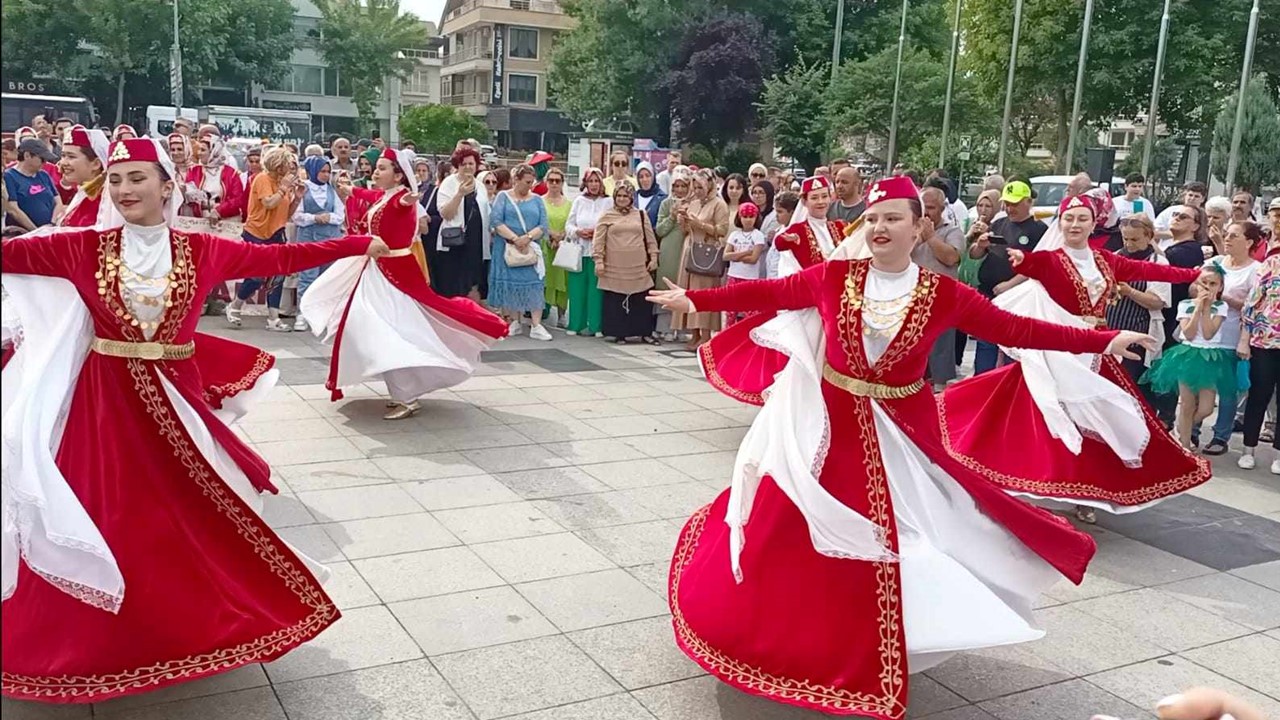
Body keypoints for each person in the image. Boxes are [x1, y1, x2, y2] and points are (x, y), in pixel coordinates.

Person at [646, 175, 1155, 719]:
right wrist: (694, 296)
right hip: (832, 427)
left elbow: (1019, 328)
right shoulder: (835, 277)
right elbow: (767, 293)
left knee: (912, 528)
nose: (881, 227)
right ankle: (788, 636)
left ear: (919, 227)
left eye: (893, 218)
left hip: (904, 430)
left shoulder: (944, 294)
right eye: (873, 218)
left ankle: (899, 634)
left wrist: (1103, 338)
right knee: (797, 529)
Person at [0, 136, 390, 703]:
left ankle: (191, 627)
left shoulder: (202, 250)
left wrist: (357, 244)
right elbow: (8, 255)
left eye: (137, 178)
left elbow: (279, 257)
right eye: (116, 179)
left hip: (177, 403)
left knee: (194, 514)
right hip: (103, 407)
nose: (125, 189)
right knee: (108, 515)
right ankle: (89, 641)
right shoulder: (80, 247)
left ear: (166, 184)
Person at [941, 193, 1209, 524]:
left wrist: (1191, 275)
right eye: (1069, 218)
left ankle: (1089, 491)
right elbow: (1028, 263)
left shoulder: (1106, 261)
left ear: (1094, 222)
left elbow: (1147, 268)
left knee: (1103, 418)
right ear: (1060, 222)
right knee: (1041, 416)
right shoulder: (1051, 260)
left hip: (1097, 351)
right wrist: (1016, 258)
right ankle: (1039, 482)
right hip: (1059, 350)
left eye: (1082, 218)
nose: (1075, 224)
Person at [299, 148, 508, 420]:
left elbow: (403, 204)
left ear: (398, 176)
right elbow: (373, 195)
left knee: (393, 332)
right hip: (380, 272)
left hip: (395, 274)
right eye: (378, 167)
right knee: (375, 329)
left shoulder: (401, 199)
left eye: (383, 168)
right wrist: (352, 190)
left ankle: (407, 396)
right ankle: (402, 391)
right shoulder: (387, 195)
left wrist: (409, 199)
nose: (376, 171)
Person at [1141, 264, 1237, 449]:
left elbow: (1208, 333)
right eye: (1204, 282)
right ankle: (1184, 444)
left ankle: (1181, 429)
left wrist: (1208, 307)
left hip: (1210, 356)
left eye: (1213, 283)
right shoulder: (1185, 305)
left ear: (1220, 287)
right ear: (1196, 284)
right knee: (1187, 403)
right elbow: (1189, 332)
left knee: (1206, 408)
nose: (1208, 287)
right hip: (1188, 354)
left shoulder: (1221, 307)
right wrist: (1198, 306)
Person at [968, 180, 1049, 374]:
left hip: (1018, 297)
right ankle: (982, 380)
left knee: (1011, 346)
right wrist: (980, 245)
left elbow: (1040, 266)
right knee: (985, 342)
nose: (1010, 208)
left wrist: (1010, 284)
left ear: (1028, 202)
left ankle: (1006, 383)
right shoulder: (998, 223)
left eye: (1015, 204)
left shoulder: (1039, 230)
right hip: (989, 293)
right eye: (1008, 204)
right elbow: (974, 254)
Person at [1195, 220, 1261, 455]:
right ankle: (1192, 431)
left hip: (1231, 336)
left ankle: (1221, 436)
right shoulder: (1214, 263)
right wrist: (1202, 291)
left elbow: (1256, 306)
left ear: (1249, 242)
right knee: (1199, 385)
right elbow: (1194, 286)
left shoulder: (1256, 270)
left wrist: (1225, 298)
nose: (1228, 239)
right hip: (1203, 335)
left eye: (1234, 235)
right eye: (1227, 235)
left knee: (1227, 389)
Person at [225, 147, 304, 332]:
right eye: (288, 165)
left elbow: (285, 214)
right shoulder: (262, 178)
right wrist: (284, 188)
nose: (292, 169)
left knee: (278, 276)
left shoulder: (283, 184)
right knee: (256, 276)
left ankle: (273, 319)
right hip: (256, 233)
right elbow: (268, 203)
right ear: (279, 166)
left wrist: (297, 198)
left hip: (277, 232)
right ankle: (235, 305)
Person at [1105, 215, 1172, 396]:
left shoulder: (1158, 263)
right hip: (1110, 331)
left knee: (1128, 388)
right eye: (1125, 238)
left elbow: (1158, 301)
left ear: (1149, 236)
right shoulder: (1115, 257)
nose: (1129, 244)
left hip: (1138, 335)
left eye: (1134, 239)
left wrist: (1130, 292)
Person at [489, 164, 551, 341]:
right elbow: (496, 220)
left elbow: (543, 225)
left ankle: (536, 324)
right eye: (526, 182)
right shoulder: (503, 197)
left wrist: (528, 237)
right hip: (508, 246)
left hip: (530, 247)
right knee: (512, 284)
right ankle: (515, 320)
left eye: (532, 182)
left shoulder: (537, 200)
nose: (529, 186)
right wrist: (515, 239)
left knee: (535, 284)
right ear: (516, 180)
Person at [593, 179, 660, 344]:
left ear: (631, 197)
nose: (622, 199)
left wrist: (654, 257)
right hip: (614, 266)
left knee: (641, 299)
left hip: (637, 266)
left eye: (626, 195)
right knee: (615, 300)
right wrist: (598, 261)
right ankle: (618, 333)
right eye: (619, 195)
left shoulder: (640, 214)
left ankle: (644, 332)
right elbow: (598, 241)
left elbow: (650, 238)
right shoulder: (606, 216)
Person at [1238, 221, 1280, 473]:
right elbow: (1251, 304)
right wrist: (1245, 338)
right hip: (1265, 339)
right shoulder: (1271, 263)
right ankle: (1248, 449)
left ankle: (1278, 454)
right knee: (1258, 396)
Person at [671, 168, 729, 350]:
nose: (697, 191)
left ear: (710, 185)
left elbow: (722, 231)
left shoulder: (719, 205)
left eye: (700, 187)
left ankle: (705, 334)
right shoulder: (694, 203)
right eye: (695, 187)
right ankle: (693, 333)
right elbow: (686, 230)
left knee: (703, 291)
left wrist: (701, 225)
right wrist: (683, 221)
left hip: (707, 251)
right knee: (689, 289)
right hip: (690, 248)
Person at [914, 186, 965, 389]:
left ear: (942, 208)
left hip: (941, 301)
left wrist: (931, 237)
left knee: (940, 352)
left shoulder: (952, 231)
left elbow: (951, 257)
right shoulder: (912, 230)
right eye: (923, 207)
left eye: (932, 207)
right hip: (913, 299)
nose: (927, 212)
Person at [290, 155, 347, 332]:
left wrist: (329, 217)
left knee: (326, 277)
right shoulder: (304, 189)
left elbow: (340, 214)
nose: (325, 175)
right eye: (322, 171)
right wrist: (314, 217)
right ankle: (302, 313)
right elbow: (296, 216)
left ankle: (323, 314)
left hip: (330, 237)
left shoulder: (332, 191)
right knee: (307, 276)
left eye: (328, 172)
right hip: (308, 237)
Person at [434, 146, 489, 301]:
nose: (467, 167)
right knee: (454, 285)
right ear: (457, 165)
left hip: (476, 242)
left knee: (473, 284)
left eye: (471, 164)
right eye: (463, 164)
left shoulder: (480, 186)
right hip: (455, 243)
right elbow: (445, 213)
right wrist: (460, 194)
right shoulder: (449, 183)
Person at [565, 167, 612, 337]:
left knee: (596, 289)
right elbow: (568, 225)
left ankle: (596, 325)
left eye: (597, 181)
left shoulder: (608, 202)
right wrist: (578, 231)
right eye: (590, 181)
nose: (593, 185)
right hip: (579, 251)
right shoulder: (579, 201)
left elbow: (611, 224)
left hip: (598, 252)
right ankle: (576, 323)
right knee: (577, 289)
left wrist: (597, 232)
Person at [654, 166, 691, 339]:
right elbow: (659, 230)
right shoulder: (666, 203)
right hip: (669, 248)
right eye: (676, 186)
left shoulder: (694, 204)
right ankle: (665, 327)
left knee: (684, 286)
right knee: (666, 284)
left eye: (684, 186)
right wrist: (672, 216)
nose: (680, 190)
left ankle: (684, 328)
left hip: (686, 248)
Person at [54, 126, 110, 228]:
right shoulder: (85, 191)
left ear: (96, 164)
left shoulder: (106, 200)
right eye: (63, 155)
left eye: (71, 156)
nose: (63, 163)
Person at [721, 201, 766, 327]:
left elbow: (753, 259)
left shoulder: (758, 235)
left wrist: (735, 256)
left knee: (749, 312)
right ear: (739, 218)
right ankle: (727, 337)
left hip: (750, 278)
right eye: (744, 217)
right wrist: (746, 252)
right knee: (730, 312)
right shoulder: (734, 235)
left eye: (751, 217)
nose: (748, 220)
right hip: (733, 276)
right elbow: (725, 256)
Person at [185, 133, 245, 223]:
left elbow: (238, 199)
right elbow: (189, 194)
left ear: (214, 151)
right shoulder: (193, 171)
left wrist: (219, 211)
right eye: (199, 150)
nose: (199, 153)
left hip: (225, 222)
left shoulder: (231, 173)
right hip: (199, 222)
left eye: (203, 150)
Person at [4, 139, 62, 231]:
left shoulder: (44, 175)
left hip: (49, 230)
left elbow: (58, 201)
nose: (45, 163)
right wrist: (35, 231)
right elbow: (13, 209)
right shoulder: (9, 177)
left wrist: (53, 223)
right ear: (27, 156)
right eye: (42, 159)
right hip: (22, 234)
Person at [542, 167, 571, 324]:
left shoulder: (569, 204)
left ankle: (561, 314)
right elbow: (537, 221)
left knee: (563, 281)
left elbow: (572, 222)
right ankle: (542, 311)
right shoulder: (539, 200)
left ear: (562, 183)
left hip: (563, 246)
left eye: (557, 181)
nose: (554, 183)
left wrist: (560, 237)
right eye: (551, 180)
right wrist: (550, 236)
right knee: (545, 278)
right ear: (546, 182)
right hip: (545, 245)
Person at [635, 161, 666, 230]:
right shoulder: (633, 197)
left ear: (653, 176)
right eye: (641, 177)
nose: (645, 179)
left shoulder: (662, 198)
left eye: (647, 175)